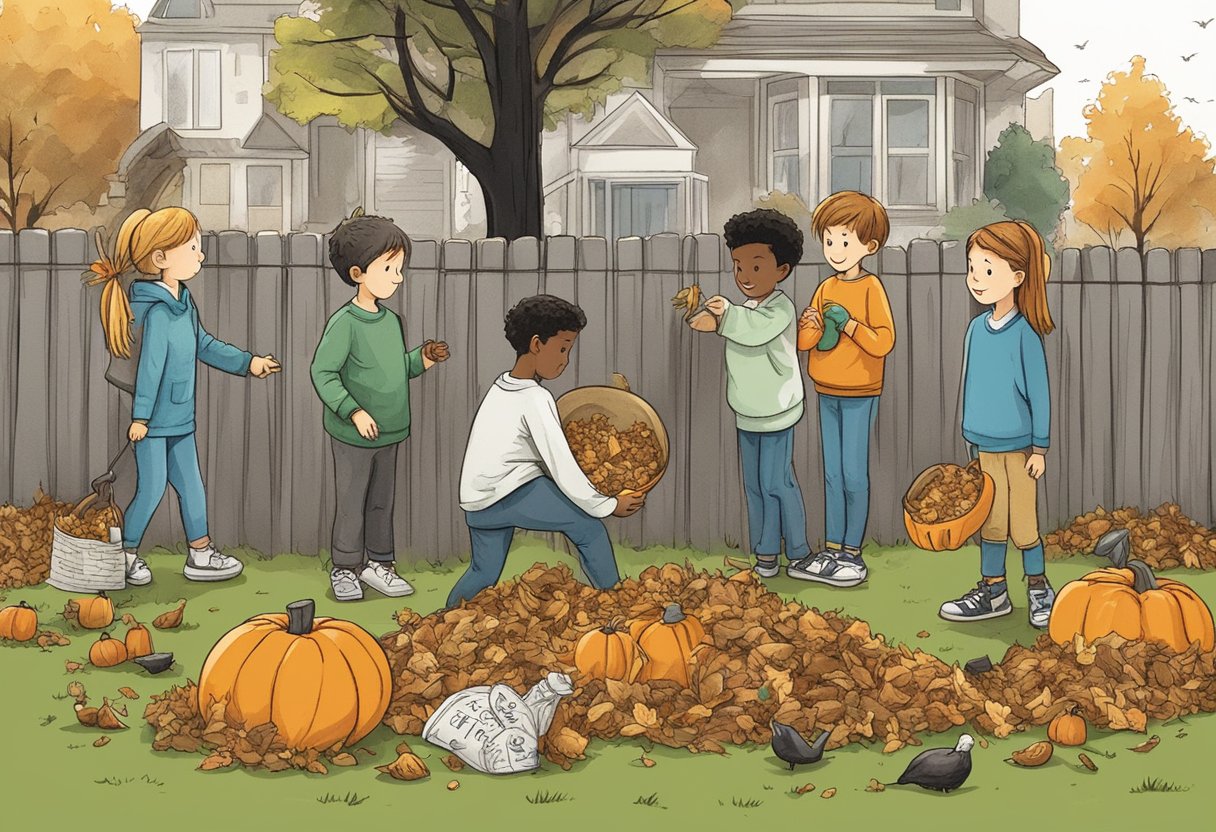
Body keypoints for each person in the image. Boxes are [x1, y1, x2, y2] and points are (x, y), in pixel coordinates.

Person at [89, 207, 280, 585]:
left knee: (191, 483)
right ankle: (124, 555)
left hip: (180, 416)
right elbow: (151, 367)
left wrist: (249, 363)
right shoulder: (158, 311)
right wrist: (141, 418)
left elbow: (204, 345)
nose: (201, 254)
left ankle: (201, 553)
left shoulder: (183, 302)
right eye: (192, 247)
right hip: (155, 420)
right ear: (160, 259)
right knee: (153, 487)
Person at [447, 295, 645, 607]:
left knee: (483, 571)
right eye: (563, 348)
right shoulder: (535, 398)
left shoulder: (501, 387)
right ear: (537, 344)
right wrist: (608, 505)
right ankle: (616, 602)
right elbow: (561, 466)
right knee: (589, 528)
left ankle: (441, 621)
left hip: (478, 501)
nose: (566, 359)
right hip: (508, 493)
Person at [310, 211, 449, 601]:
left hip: (391, 431)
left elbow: (395, 369)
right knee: (352, 502)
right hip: (354, 435)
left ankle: (379, 565)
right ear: (358, 273)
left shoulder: (391, 321)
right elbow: (323, 372)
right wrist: (353, 411)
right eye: (388, 268)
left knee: (381, 504)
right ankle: (344, 568)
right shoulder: (345, 323)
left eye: (400, 268)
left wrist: (423, 358)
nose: (398, 277)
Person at [939, 220, 1055, 628]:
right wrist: (970, 437)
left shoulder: (1025, 335)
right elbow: (971, 384)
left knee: (1023, 525)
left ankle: (1039, 588)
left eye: (988, 270)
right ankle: (993, 591)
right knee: (991, 522)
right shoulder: (975, 329)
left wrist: (1040, 449)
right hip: (984, 447)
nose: (977, 279)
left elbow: (1039, 395)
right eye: (973, 268)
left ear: (1018, 277)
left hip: (1020, 450)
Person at [692, 209, 809, 578]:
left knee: (778, 482)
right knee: (755, 487)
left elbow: (754, 330)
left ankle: (801, 551)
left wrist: (723, 316)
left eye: (755, 268)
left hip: (776, 411)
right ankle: (766, 553)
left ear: (782, 271)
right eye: (738, 267)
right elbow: (734, 326)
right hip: (748, 411)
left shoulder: (780, 309)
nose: (744, 277)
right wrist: (714, 318)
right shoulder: (744, 310)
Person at [791, 191, 895, 587]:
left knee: (853, 472)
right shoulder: (824, 287)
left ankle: (852, 554)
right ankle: (832, 550)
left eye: (844, 241)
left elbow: (884, 341)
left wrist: (850, 324)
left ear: (868, 246)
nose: (835, 250)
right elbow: (806, 343)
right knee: (831, 473)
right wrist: (810, 327)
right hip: (826, 388)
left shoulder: (871, 288)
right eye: (830, 240)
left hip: (860, 391)